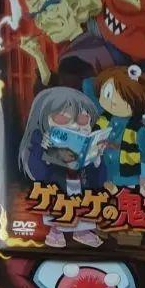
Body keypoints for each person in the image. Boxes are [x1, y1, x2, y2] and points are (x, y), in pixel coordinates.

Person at [18, 87, 106, 248]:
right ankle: (56, 231)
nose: (75, 126)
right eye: (63, 119)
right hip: (56, 188)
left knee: (82, 206)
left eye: (83, 120)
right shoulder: (40, 142)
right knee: (57, 207)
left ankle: (82, 231)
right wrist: (41, 150)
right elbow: (38, 174)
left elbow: (98, 181)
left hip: (80, 186)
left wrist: (97, 158)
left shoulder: (87, 146)